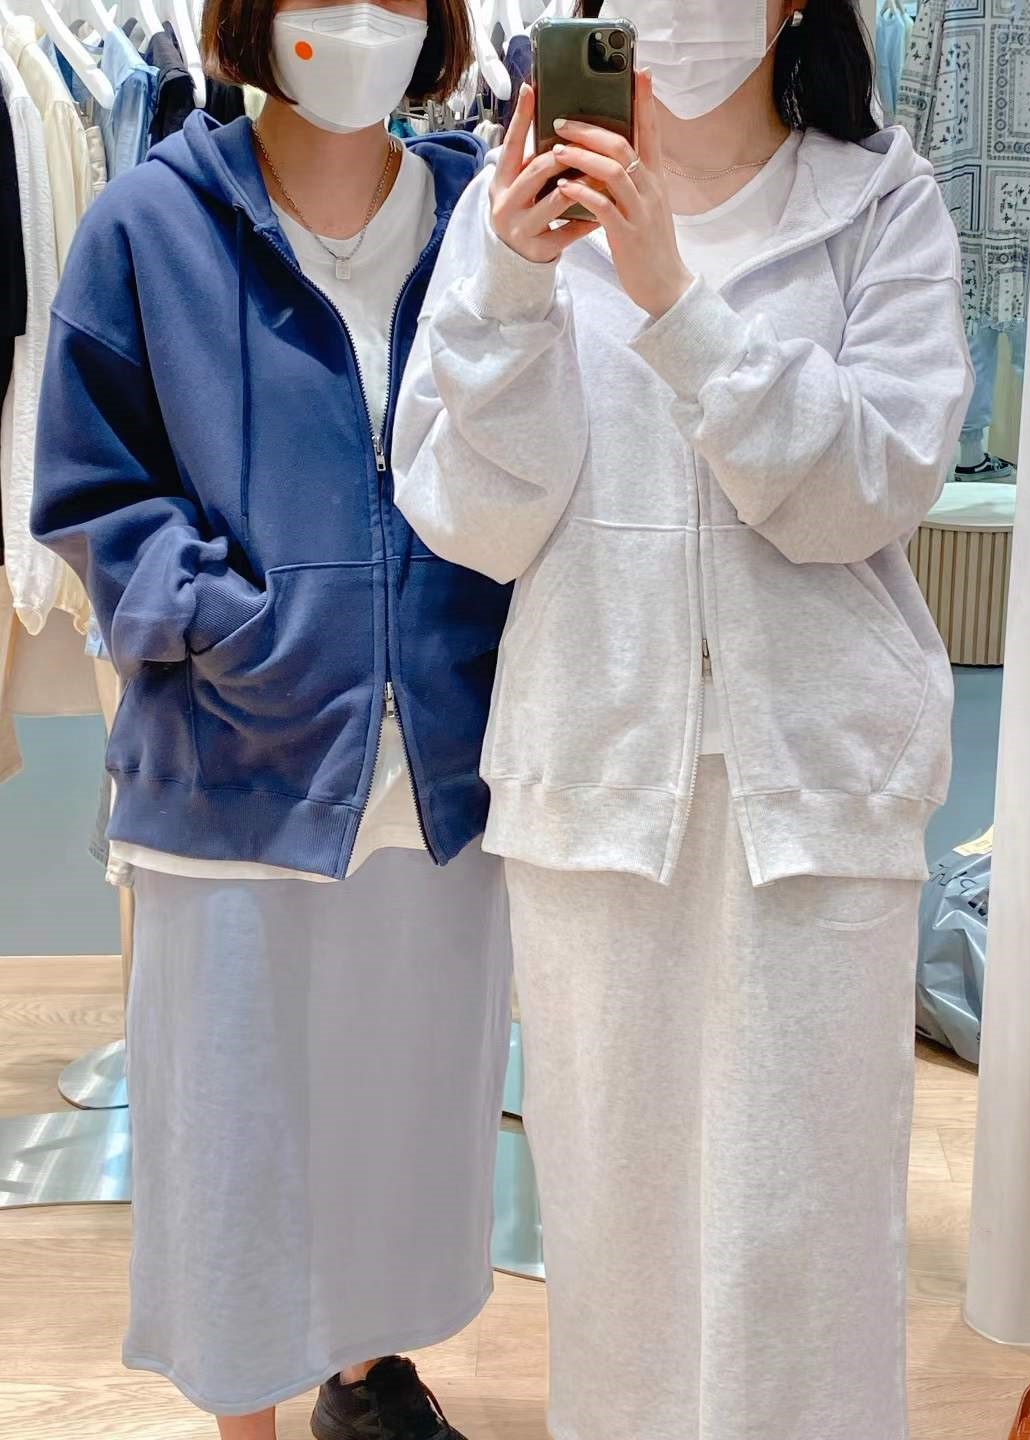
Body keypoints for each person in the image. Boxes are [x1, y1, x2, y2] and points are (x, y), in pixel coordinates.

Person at [392, 1, 974, 1437]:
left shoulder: (882, 201)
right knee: (620, 1230)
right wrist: (512, 295)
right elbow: (475, 520)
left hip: (820, 788)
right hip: (595, 778)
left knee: (807, 1233)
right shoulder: (513, 212)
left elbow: (869, 488)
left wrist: (675, 304)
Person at [32, 3, 512, 1439]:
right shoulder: (148, 224)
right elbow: (92, 489)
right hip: (230, 765)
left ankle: (367, 1381)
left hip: (443, 769)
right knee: (236, 1143)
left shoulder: (484, 217)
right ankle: (243, 1417)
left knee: (402, 1116)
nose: (360, 19)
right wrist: (234, 627)